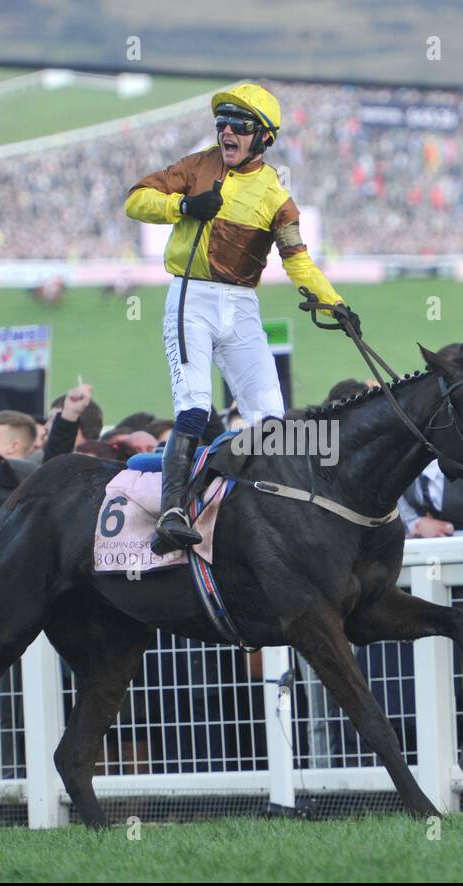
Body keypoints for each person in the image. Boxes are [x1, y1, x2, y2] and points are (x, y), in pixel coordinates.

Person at [123, 82, 358, 554]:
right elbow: (136, 199)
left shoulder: (277, 198)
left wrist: (334, 303)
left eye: (239, 126)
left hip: (242, 306)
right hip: (192, 296)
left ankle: (260, 515)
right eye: (222, 123)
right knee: (194, 405)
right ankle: (172, 511)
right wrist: (183, 206)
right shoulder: (197, 166)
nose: (226, 131)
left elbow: (298, 261)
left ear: (264, 137)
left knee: (270, 420)